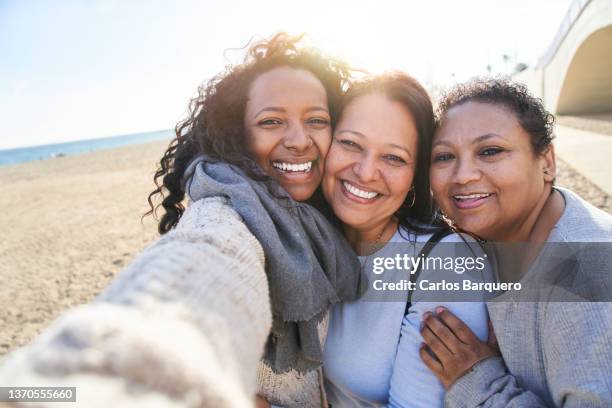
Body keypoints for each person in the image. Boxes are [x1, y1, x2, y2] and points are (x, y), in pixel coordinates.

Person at [0, 33, 362, 408]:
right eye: (272, 121)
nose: (300, 140)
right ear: (239, 133)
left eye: (317, 120)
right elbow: (204, 261)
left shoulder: (324, 216)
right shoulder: (226, 211)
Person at [421, 78, 612, 407]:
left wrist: (480, 382)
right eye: (444, 156)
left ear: (547, 162)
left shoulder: (587, 278)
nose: (463, 175)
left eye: (490, 151)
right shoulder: (491, 239)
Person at [320, 72, 492, 407]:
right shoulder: (308, 238)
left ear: (415, 176)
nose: (366, 172)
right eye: (351, 143)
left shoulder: (445, 263)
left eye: (394, 158)